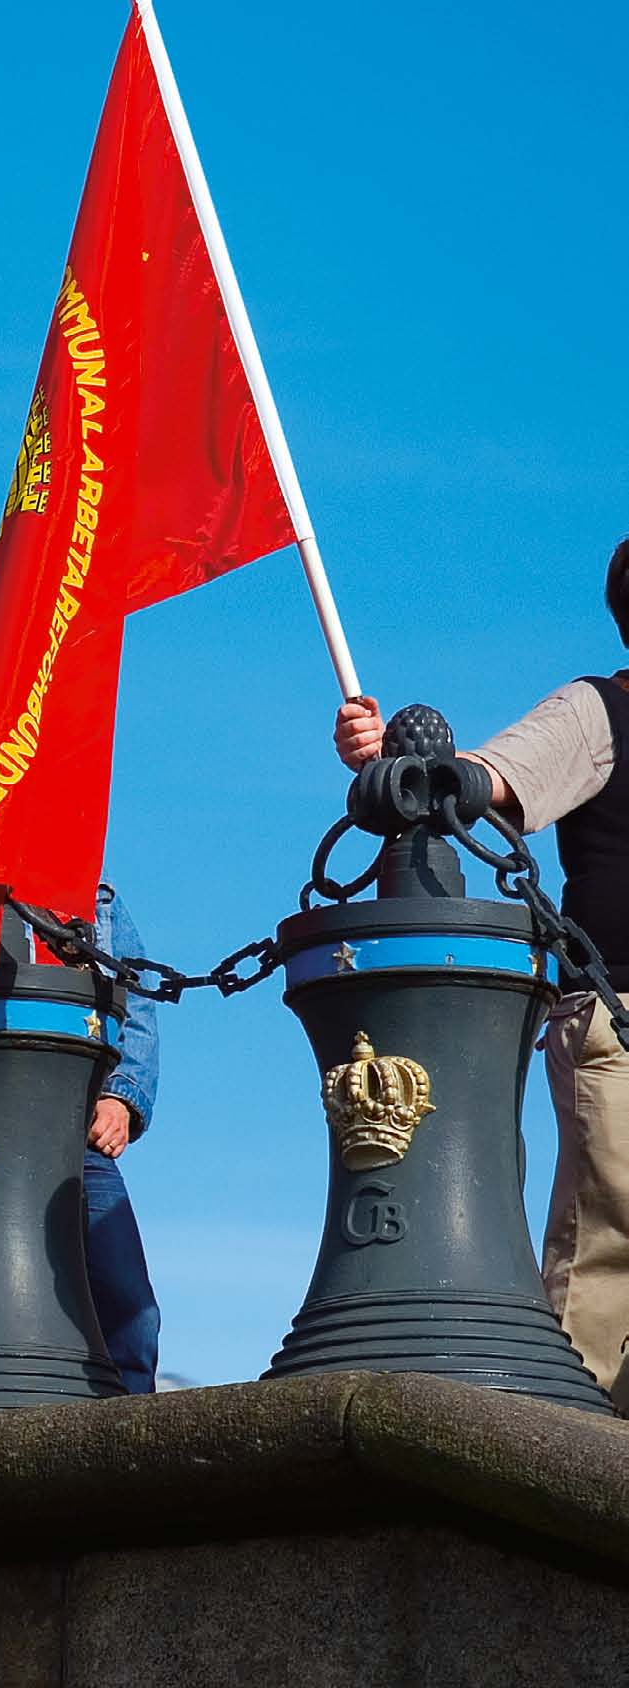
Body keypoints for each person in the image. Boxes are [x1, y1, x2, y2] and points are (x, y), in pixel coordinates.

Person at [334, 535, 629, 1398]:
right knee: (610, 1248)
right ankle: (569, 1469)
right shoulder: (595, 713)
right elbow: (465, 784)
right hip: (619, 1021)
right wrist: (388, 766)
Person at [84, 882, 161, 1394]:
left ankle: (127, 1444)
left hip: (77, 1133)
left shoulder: (100, 897)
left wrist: (121, 1097)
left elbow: (136, 1003)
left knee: (131, 1308)